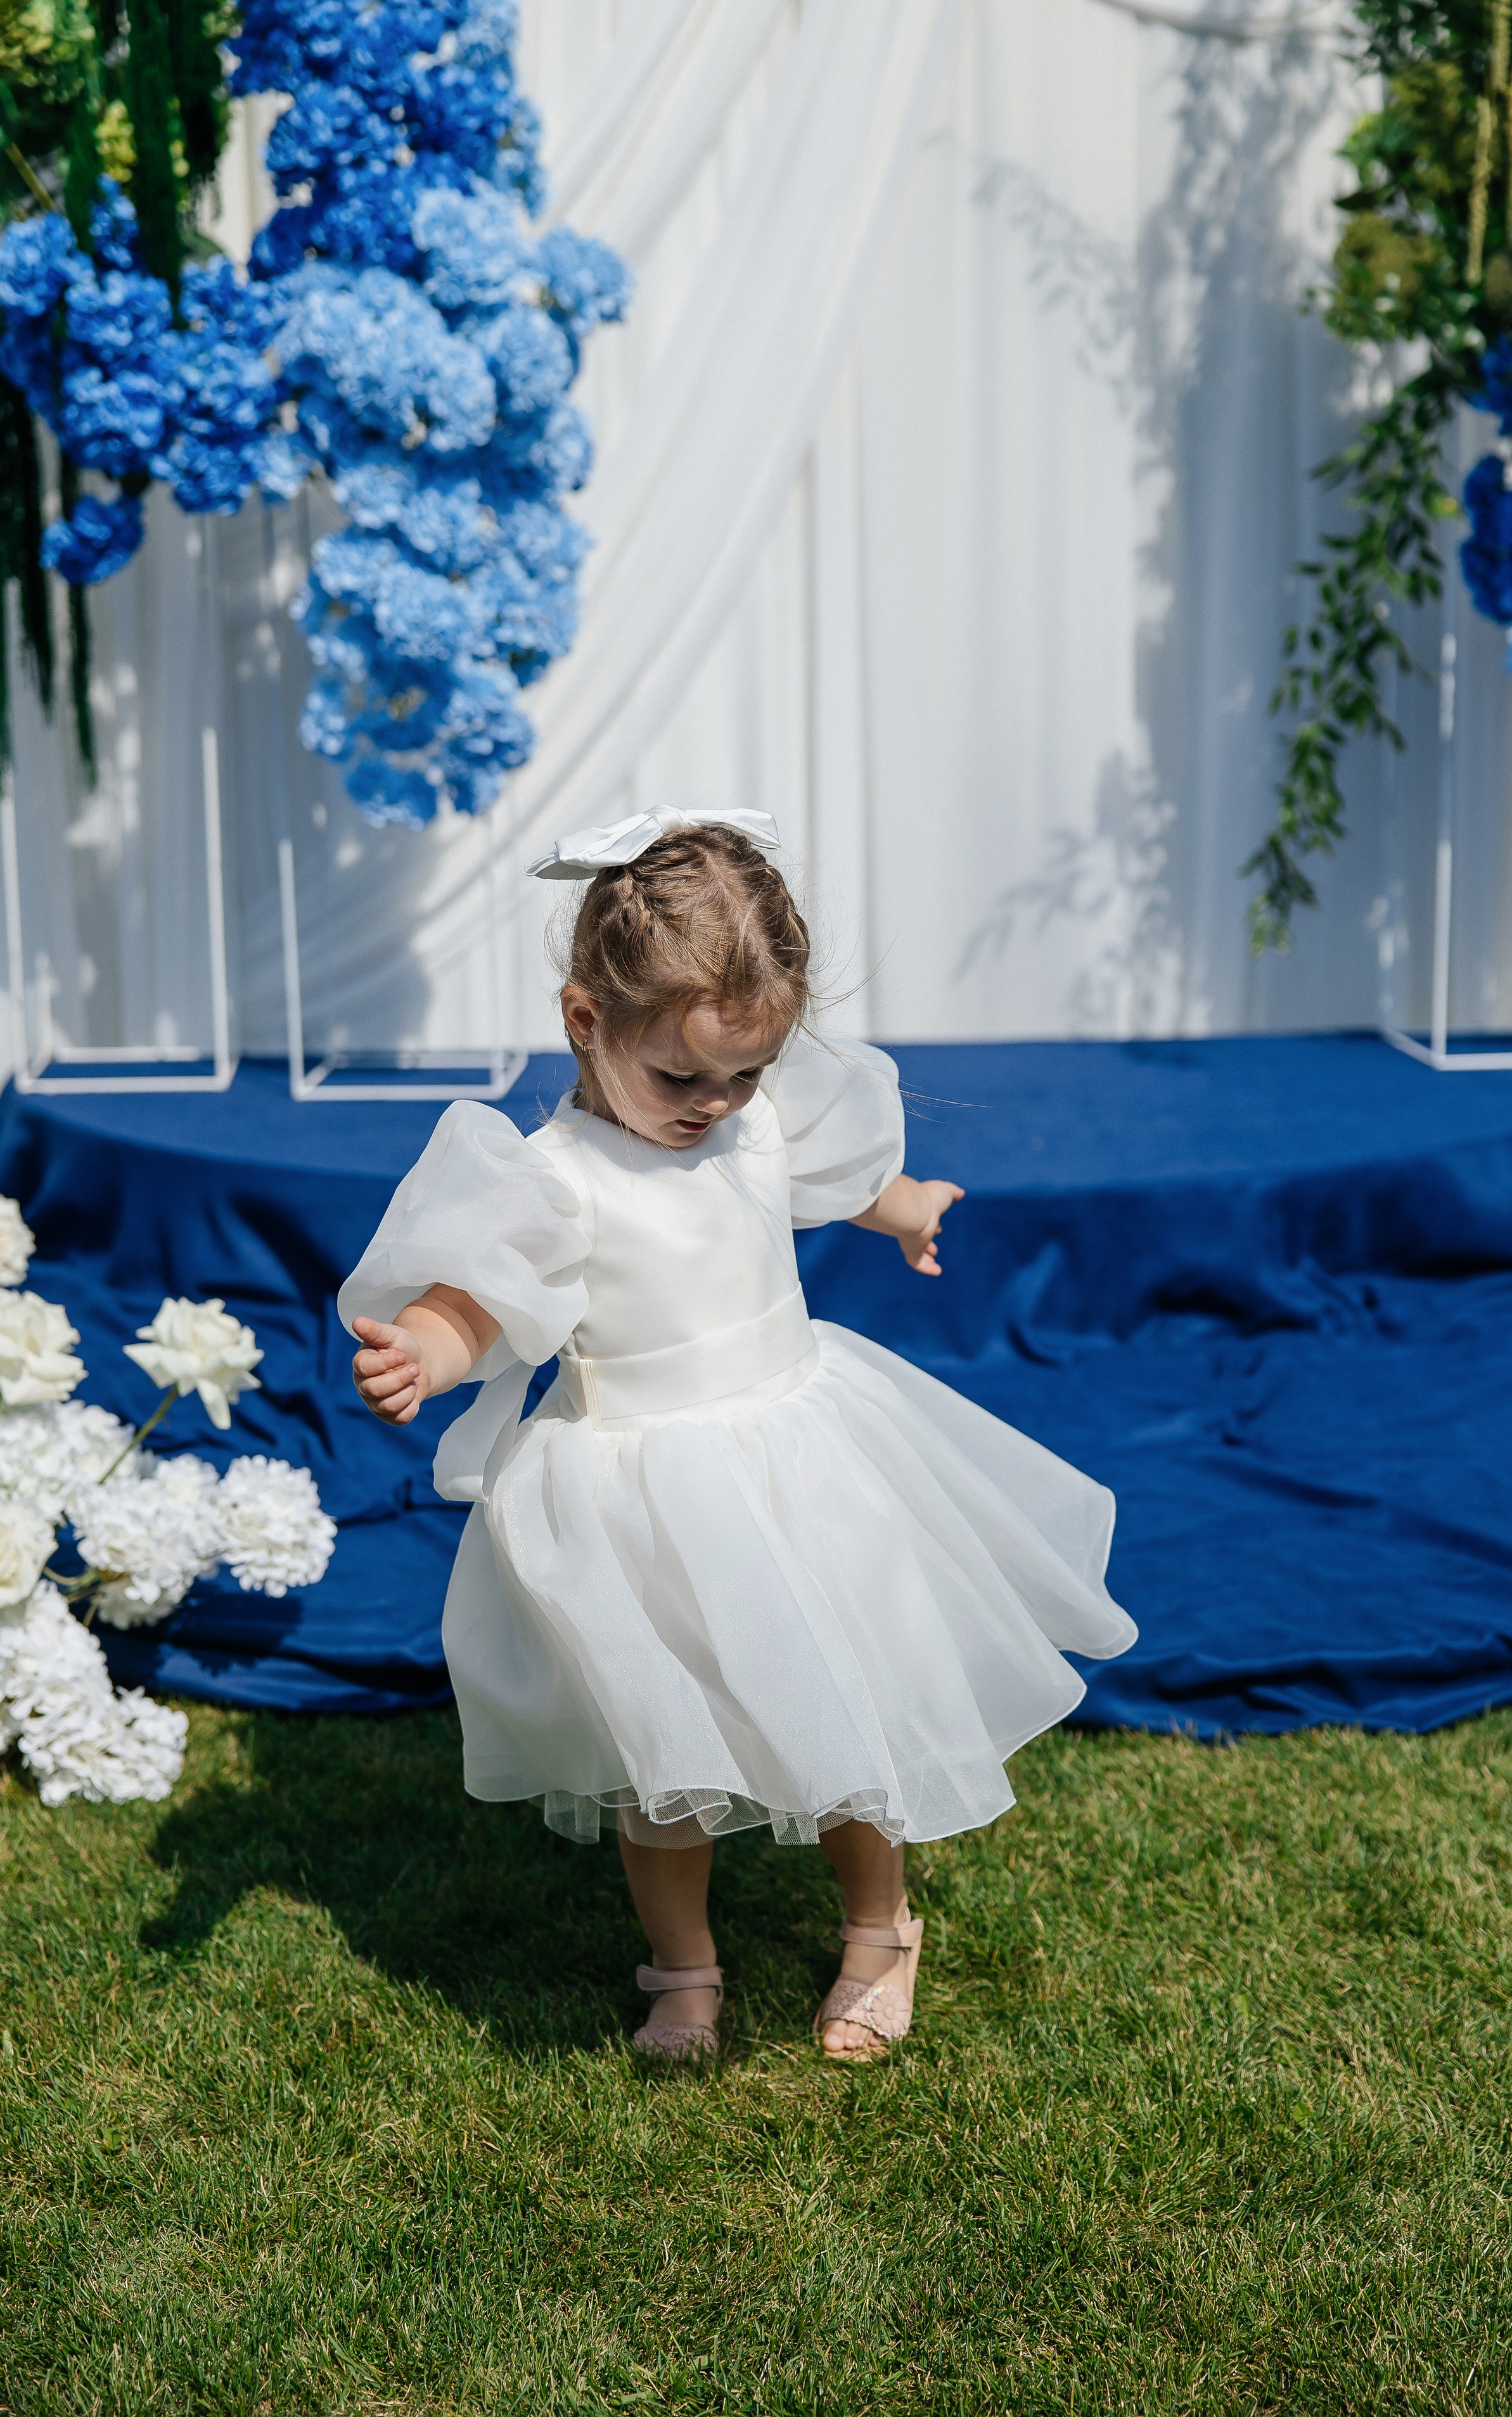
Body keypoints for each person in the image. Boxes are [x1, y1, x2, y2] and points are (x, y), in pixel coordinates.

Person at [342, 808, 1136, 2065]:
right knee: (661, 1755)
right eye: (682, 1079)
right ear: (585, 1021)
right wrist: (424, 1354)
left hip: (796, 1464)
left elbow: (836, 1177)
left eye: (745, 1077)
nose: (714, 1105)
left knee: (845, 1718)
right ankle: (683, 1970)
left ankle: (878, 1931)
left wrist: (907, 1208)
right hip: (641, 1500)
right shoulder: (554, 1177)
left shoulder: (752, 1122)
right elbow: (478, 1298)